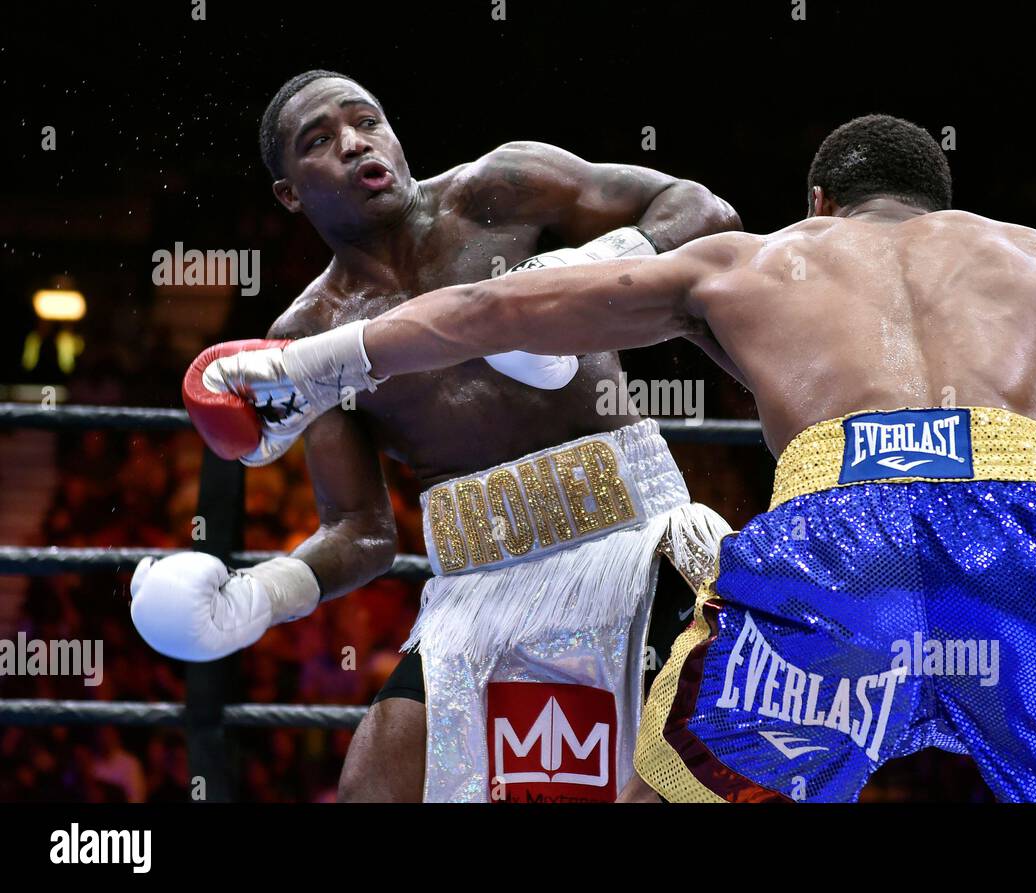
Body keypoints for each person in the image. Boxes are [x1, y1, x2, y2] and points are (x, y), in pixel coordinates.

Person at [194, 114, 1036, 803]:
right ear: (940, 204)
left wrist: (316, 363)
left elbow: (481, 309)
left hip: (843, 536)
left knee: (690, 791)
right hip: (1024, 517)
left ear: (819, 205)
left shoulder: (762, 261)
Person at [130, 69, 739, 803]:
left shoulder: (500, 189)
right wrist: (258, 596)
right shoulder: (305, 334)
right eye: (320, 141)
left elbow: (702, 209)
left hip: (634, 538)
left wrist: (567, 274)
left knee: (673, 779)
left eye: (367, 122)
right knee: (372, 789)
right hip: (474, 587)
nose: (356, 144)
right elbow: (361, 530)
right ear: (290, 192)